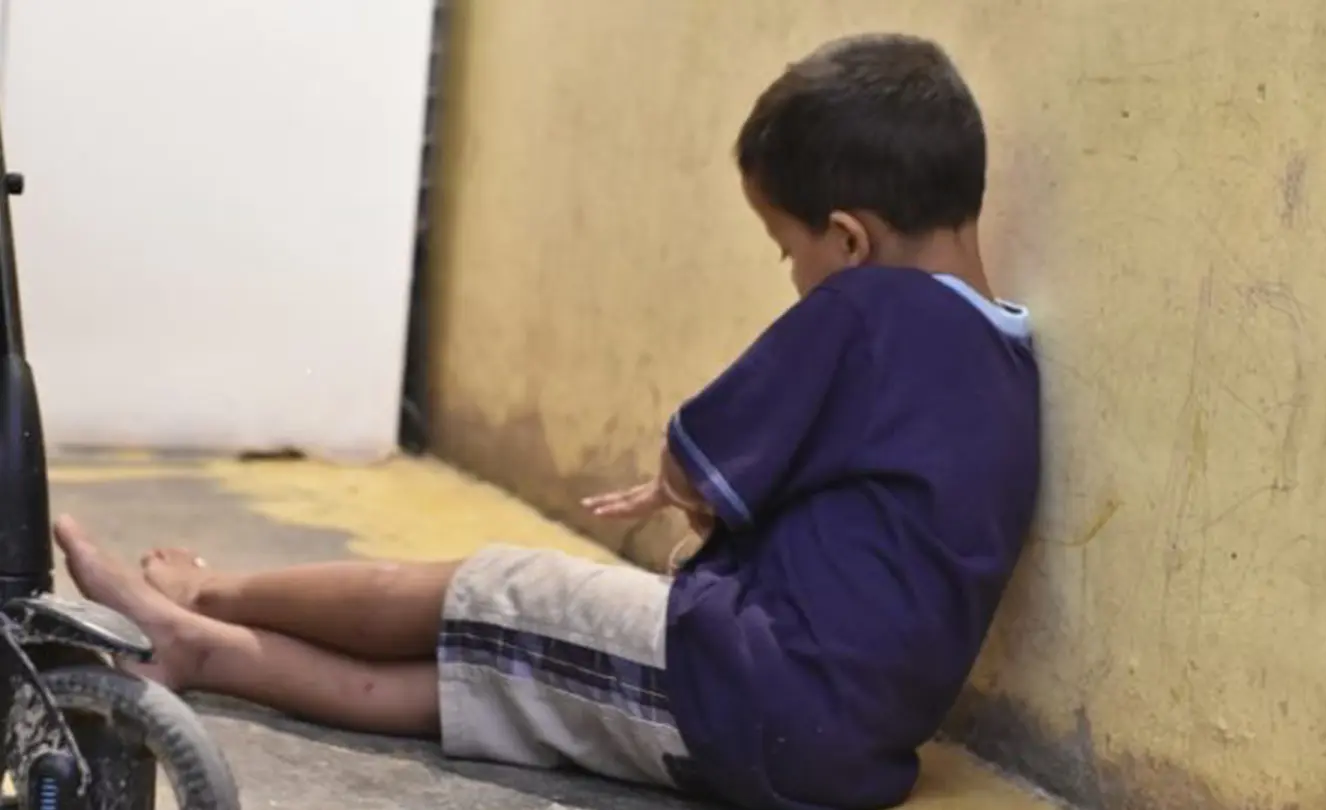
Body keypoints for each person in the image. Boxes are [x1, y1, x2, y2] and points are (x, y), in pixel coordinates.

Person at [53, 31, 1040, 810]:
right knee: (487, 683)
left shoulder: (870, 309)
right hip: (843, 748)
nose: (794, 278)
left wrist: (681, 485)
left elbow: (697, 461)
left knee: (485, 589)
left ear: (849, 240)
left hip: (752, 683)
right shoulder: (1002, 359)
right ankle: (203, 650)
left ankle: (212, 596)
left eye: (788, 252)